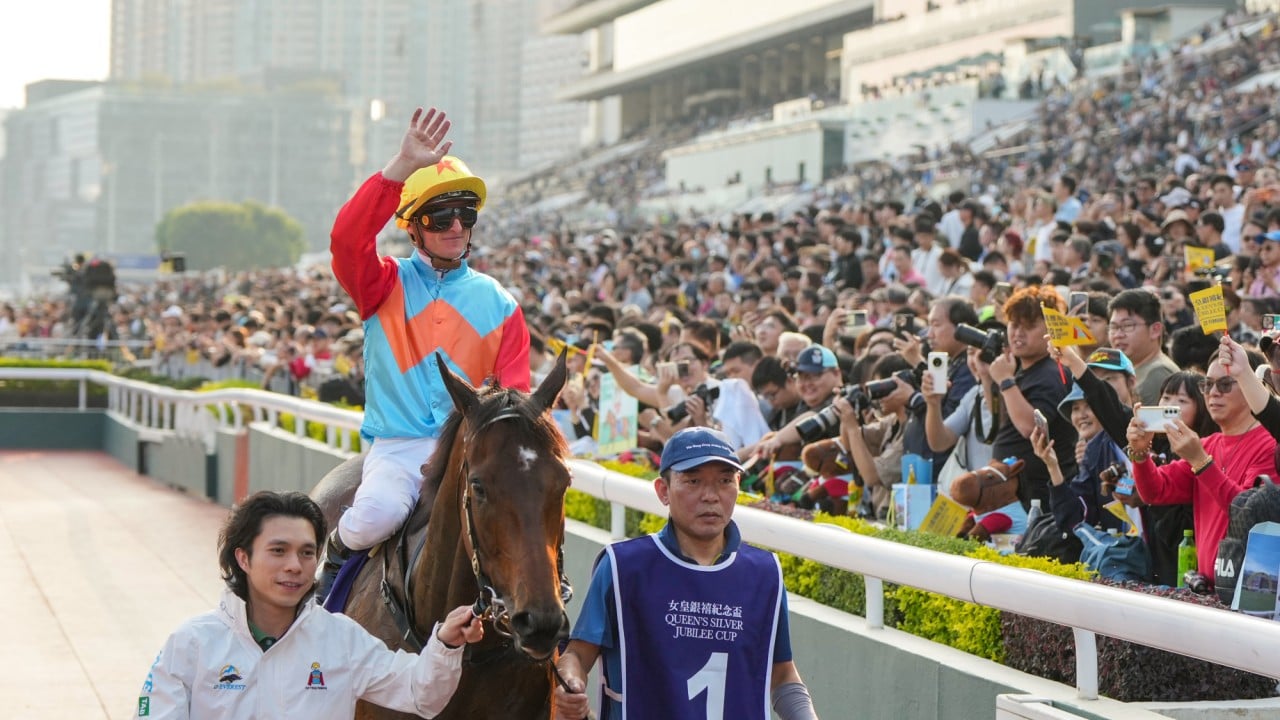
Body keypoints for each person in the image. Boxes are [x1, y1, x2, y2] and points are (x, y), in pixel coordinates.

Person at [321, 107, 531, 601]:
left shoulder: (500, 304)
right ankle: (325, 584)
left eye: (466, 214)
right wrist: (399, 166)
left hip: (472, 455)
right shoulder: (382, 283)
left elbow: (515, 397)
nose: (456, 226)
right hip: (399, 448)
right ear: (412, 227)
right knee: (376, 516)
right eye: (440, 216)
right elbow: (346, 240)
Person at [136, 491, 483, 719]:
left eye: (306, 552)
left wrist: (446, 644)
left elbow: (420, 693)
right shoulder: (191, 643)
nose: (294, 565)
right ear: (243, 558)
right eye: (278, 551)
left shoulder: (341, 638)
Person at [553, 428, 819, 720]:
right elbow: (578, 654)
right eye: (693, 481)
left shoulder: (766, 574)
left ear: (738, 485)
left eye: (724, 481)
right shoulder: (623, 567)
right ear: (663, 491)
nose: (711, 496)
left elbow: (782, 674)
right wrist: (570, 684)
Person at [1125, 355, 1277, 584]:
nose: (1213, 392)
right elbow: (1154, 491)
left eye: (1225, 384)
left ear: (1253, 387)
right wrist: (1140, 453)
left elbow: (1251, 516)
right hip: (1208, 588)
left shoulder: (1270, 444)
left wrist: (1201, 462)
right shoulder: (1208, 444)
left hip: (1251, 591)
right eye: (1207, 384)